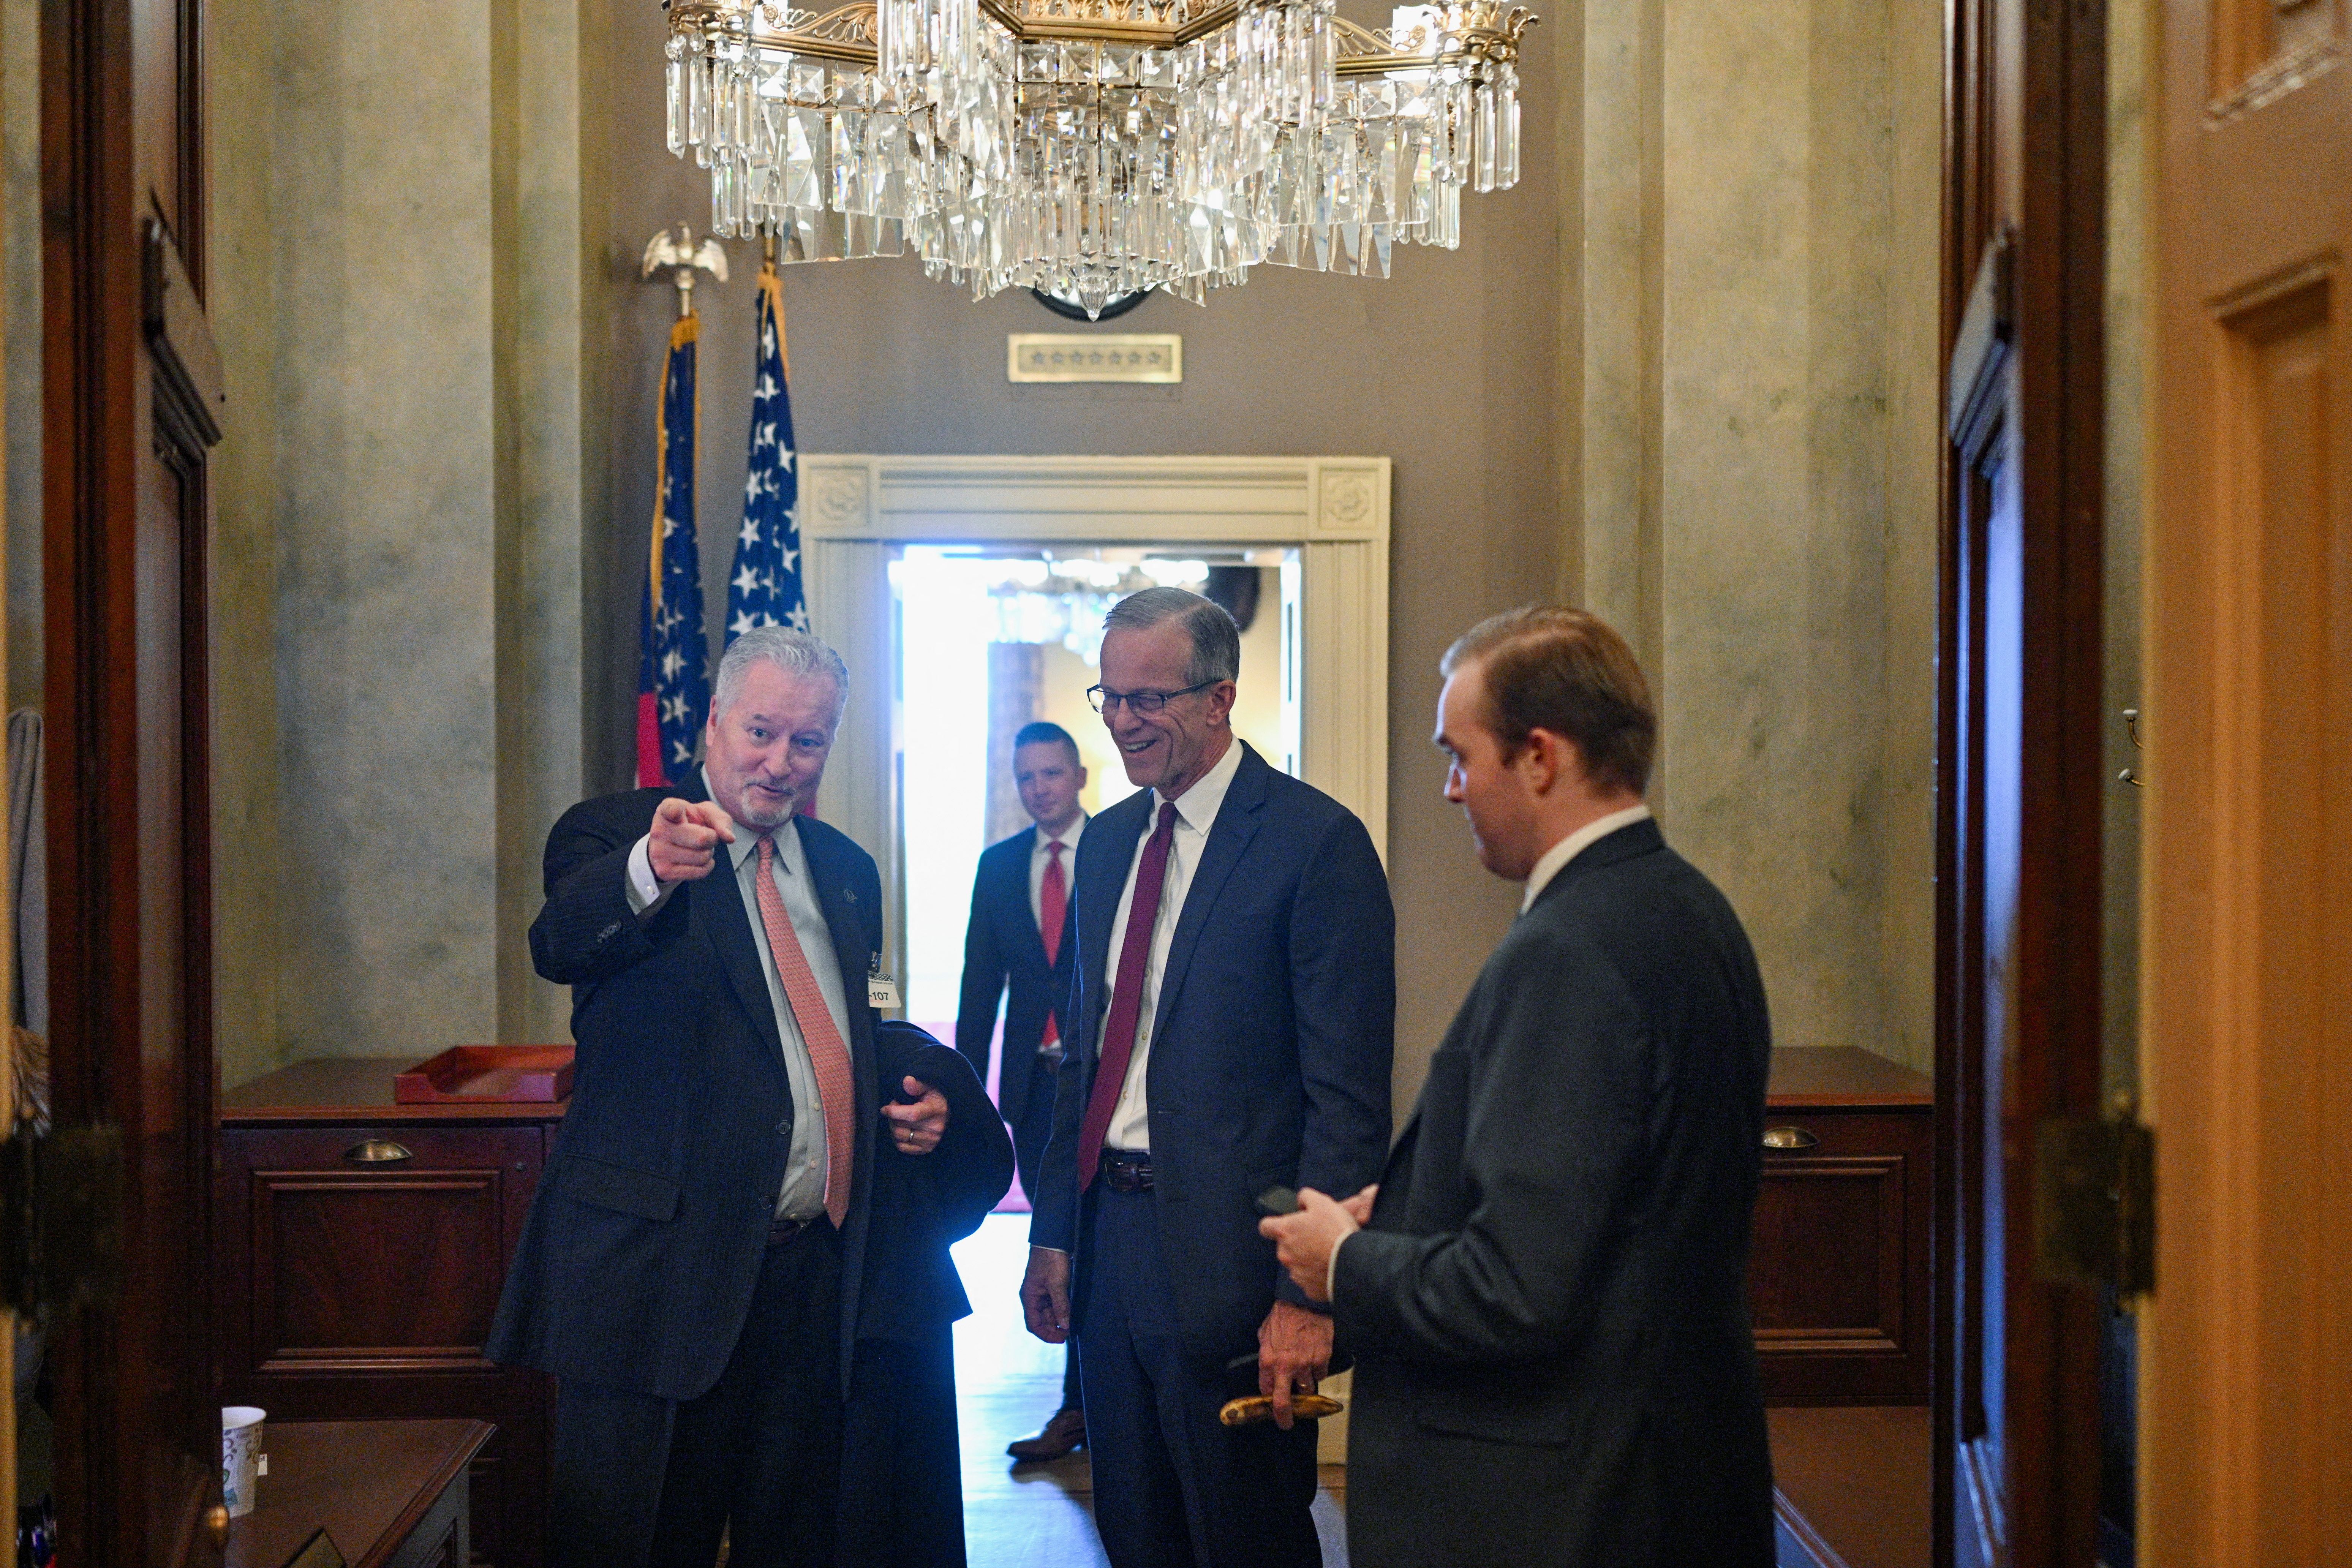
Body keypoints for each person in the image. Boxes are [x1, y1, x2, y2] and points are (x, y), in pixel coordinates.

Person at [1260, 605, 1777, 1568]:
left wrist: (1346, 1262)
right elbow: (1612, 1212)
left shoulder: (1570, 950)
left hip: (1559, 1501)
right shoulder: (1689, 909)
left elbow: (1518, 1292)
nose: (1452, 789)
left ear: (1540, 757)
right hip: (1670, 1472)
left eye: (1460, 757)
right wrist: (1410, 1216)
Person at [487, 624, 1006, 1568]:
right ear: (716, 723)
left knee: (808, 1539)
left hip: (816, 1282)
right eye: (761, 733)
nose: (780, 762)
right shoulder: (618, 835)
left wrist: (921, 1090)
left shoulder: (847, 870)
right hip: (661, 1282)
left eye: (808, 741)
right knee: (637, 1542)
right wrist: (649, 870)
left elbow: (870, 1011)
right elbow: (558, 943)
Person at [1020, 586, 1394, 1568]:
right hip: (1109, 1251)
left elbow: (1346, 1104)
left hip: (1238, 1270)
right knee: (1134, 1533)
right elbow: (1082, 1062)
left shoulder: (1317, 845)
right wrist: (1055, 1231)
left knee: (1246, 1539)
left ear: (1220, 698)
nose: (1124, 722)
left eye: (1150, 699)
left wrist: (1307, 1296)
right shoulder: (1109, 844)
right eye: (1111, 697)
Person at [955, 720, 1091, 1461]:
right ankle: (1078, 1410)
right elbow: (981, 984)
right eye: (1026, 777)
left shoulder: (1119, 849)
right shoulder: (1000, 865)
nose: (1040, 788)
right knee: (1056, 1240)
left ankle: (1091, 1408)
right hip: (1034, 1090)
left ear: (1079, 777)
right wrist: (963, 1092)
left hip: (1102, 1083)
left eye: (1052, 773)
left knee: (1103, 1244)